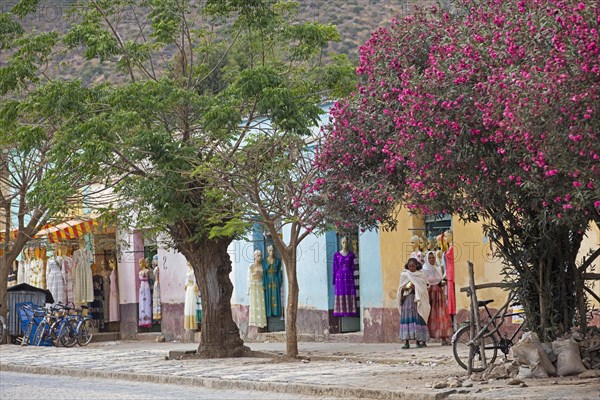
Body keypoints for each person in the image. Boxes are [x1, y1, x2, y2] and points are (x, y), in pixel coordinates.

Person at [397, 257, 430, 349]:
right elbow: (400, 289)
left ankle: (418, 341)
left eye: (413, 266)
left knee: (417, 319)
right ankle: (406, 342)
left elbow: (423, 289)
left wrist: (415, 289)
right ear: (407, 266)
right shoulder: (404, 275)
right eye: (410, 266)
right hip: (407, 301)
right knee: (407, 320)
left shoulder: (421, 275)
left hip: (416, 301)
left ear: (417, 266)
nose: (411, 268)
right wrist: (405, 288)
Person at [422, 251, 453, 345]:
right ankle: (423, 339)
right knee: (427, 315)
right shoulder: (423, 270)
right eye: (430, 258)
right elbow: (423, 282)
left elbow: (440, 280)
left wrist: (442, 283)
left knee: (441, 315)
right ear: (427, 259)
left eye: (433, 258)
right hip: (429, 295)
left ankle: (443, 338)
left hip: (439, 295)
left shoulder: (438, 269)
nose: (432, 260)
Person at [332, 237, 358, 317]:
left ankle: (350, 311)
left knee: (349, 292)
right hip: (339, 277)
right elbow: (334, 267)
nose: (344, 244)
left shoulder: (351, 255)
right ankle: (341, 311)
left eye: (346, 242)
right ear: (341, 243)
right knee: (341, 292)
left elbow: (353, 265)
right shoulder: (336, 255)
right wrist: (334, 280)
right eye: (343, 242)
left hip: (349, 277)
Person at [247, 250, 267, 328]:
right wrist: (248, 288)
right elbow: (249, 277)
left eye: (260, 255)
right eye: (258, 255)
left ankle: (261, 323)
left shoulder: (262, 266)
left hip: (260, 285)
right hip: (253, 285)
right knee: (254, 303)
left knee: (261, 303)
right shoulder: (251, 266)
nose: (259, 257)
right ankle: (254, 322)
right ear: (254, 256)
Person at [262, 245, 283, 318]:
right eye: (270, 250)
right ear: (267, 251)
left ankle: (276, 312)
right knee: (269, 296)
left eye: (272, 250)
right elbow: (264, 273)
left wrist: (279, 281)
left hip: (275, 280)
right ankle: (269, 312)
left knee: (276, 295)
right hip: (268, 280)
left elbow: (279, 272)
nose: (271, 252)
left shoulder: (277, 261)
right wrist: (264, 283)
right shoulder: (264, 261)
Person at [184, 261, 199, 340]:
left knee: (192, 305)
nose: (187, 262)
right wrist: (186, 285)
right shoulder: (188, 270)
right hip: (188, 288)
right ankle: (188, 325)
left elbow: (195, 279)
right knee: (188, 307)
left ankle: (194, 324)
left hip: (192, 288)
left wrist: (195, 286)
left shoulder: (194, 270)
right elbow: (186, 280)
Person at [138, 258, 152, 328]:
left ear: (143, 263)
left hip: (146, 287)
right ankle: (142, 320)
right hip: (141, 287)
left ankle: (147, 320)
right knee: (142, 304)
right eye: (139, 263)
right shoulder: (140, 272)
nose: (139, 265)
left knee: (147, 303)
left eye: (140, 263)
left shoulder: (147, 271)